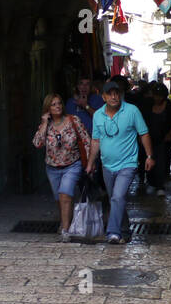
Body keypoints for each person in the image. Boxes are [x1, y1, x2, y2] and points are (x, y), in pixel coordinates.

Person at [85, 79, 155, 243]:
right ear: (103, 97)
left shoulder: (132, 111)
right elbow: (95, 140)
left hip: (128, 164)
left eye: (117, 93)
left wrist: (150, 156)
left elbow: (143, 133)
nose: (114, 96)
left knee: (117, 197)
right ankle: (124, 230)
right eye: (110, 94)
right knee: (116, 199)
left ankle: (112, 232)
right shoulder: (98, 115)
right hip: (107, 165)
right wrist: (90, 163)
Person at [32, 93, 90, 239]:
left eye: (59, 103)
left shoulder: (73, 120)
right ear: (48, 108)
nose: (57, 106)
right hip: (52, 168)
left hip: (72, 164)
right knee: (60, 198)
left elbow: (86, 141)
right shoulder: (46, 126)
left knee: (65, 195)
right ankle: (66, 222)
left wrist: (90, 163)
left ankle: (65, 231)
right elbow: (37, 143)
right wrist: (44, 123)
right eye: (53, 104)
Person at [141, 85, 171, 194]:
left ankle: (160, 186)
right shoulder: (148, 105)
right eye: (156, 96)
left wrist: (169, 135)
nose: (157, 98)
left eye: (160, 96)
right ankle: (152, 182)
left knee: (161, 162)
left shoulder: (169, 106)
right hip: (149, 139)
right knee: (149, 160)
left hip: (163, 140)